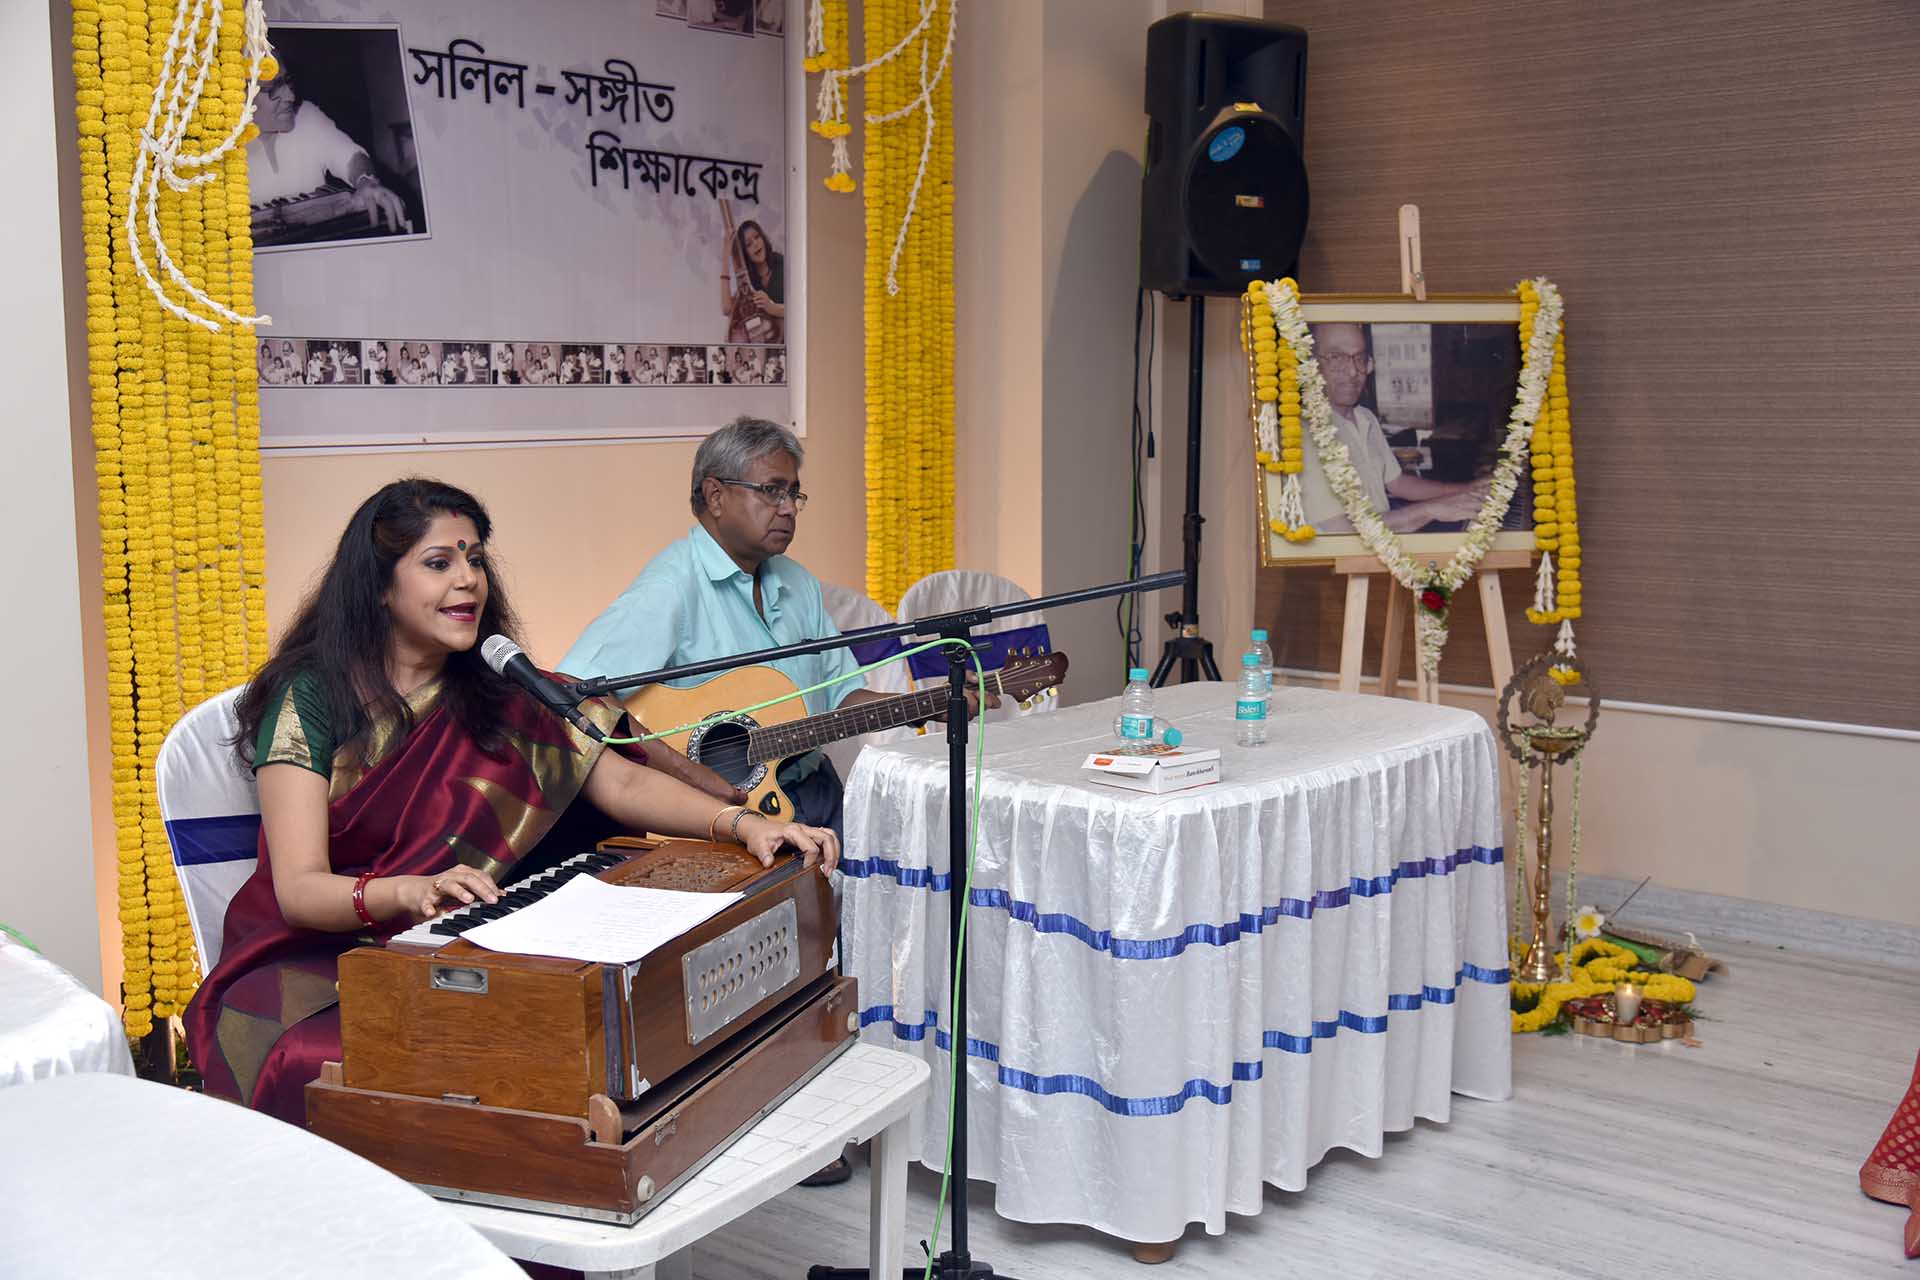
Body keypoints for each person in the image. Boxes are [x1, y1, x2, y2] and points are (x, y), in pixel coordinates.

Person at [182, 479, 838, 1127]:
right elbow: (298, 890)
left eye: (475, 559)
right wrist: (407, 892)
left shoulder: (499, 690)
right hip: (317, 958)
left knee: (573, 1018)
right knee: (358, 1053)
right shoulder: (312, 699)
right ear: (380, 588)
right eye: (439, 563)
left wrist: (743, 824)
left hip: (462, 937)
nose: (468, 580)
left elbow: (624, 784)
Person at [1302, 323, 1489, 533]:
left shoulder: (1366, 417)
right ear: (1312, 364)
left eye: (1359, 358)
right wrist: (1431, 510)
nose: (1354, 371)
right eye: (1336, 357)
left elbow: (1398, 483)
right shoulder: (1302, 433)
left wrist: (1469, 489)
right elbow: (1341, 528)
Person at [247, 68, 408, 234]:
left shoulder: (306, 115)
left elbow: (351, 156)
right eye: (273, 87)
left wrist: (366, 182)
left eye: (288, 81)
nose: (291, 96)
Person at [721, 220, 785, 344]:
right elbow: (727, 309)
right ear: (745, 253)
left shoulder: (783, 265)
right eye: (749, 244)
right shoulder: (749, 280)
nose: (755, 244)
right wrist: (725, 255)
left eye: (757, 237)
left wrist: (772, 308)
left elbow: (799, 309)